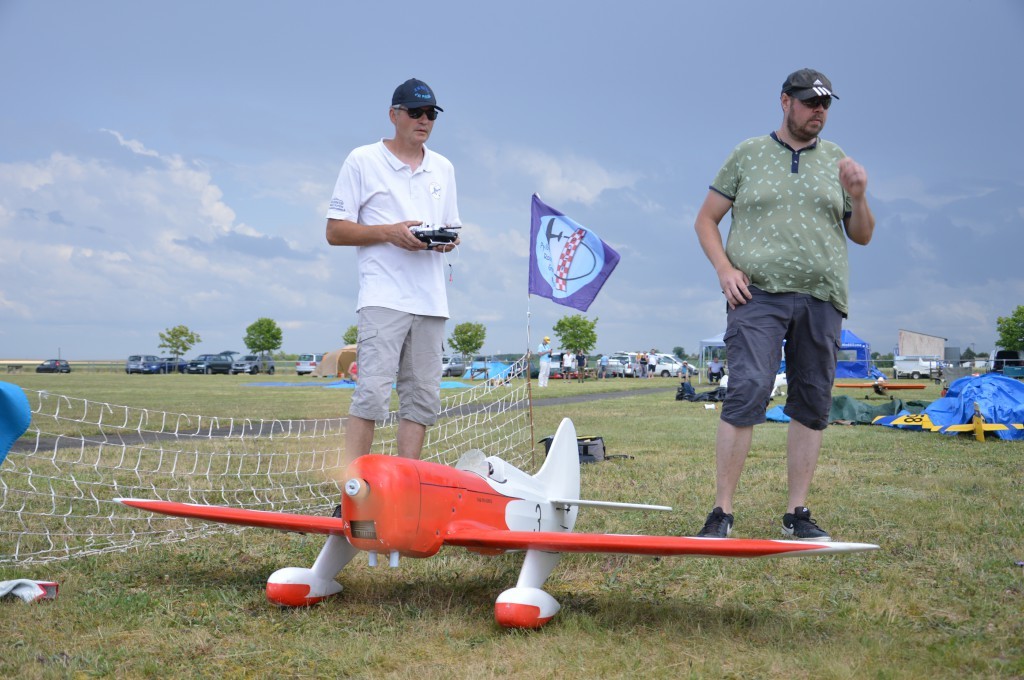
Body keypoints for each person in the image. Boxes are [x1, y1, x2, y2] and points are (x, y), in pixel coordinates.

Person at [692, 68, 875, 541]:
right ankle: (722, 511)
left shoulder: (838, 161)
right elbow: (706, 221)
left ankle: (797, 513)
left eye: (826, 104)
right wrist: (724, 270)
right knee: (748, 388)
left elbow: (863, 234)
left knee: (812, 400)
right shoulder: (747, 154)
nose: (819, 110)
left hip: (822, 297)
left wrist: (858, 195)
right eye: (810, 101)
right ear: (784, 101)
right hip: (757, 293)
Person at [325, 78, 461, 467]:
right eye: (415, 112)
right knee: (370, 395)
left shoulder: (444, 168)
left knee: (422, 400)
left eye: (431, 114)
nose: (424, 120)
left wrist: (445, 240)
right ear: (393, 115)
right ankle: (352, 490)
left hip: (432, 300)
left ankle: (409, 488)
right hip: (383, 298)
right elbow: (334, 231)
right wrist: (391, 233)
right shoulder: (362, 160)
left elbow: (453, 227)